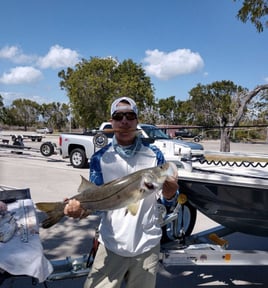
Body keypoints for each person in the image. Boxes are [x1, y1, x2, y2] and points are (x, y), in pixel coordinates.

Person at [64, 96, 179, 288]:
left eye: (130, 115)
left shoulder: (154, 155)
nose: (124, 121)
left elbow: (167, 203)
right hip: (111, 244)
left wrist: (170, 194)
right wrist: (80, 210)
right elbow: (98, 204)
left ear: (136, 121)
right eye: (118, 116)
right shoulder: (100, 158)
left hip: (147, 246)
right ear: (112, 122)